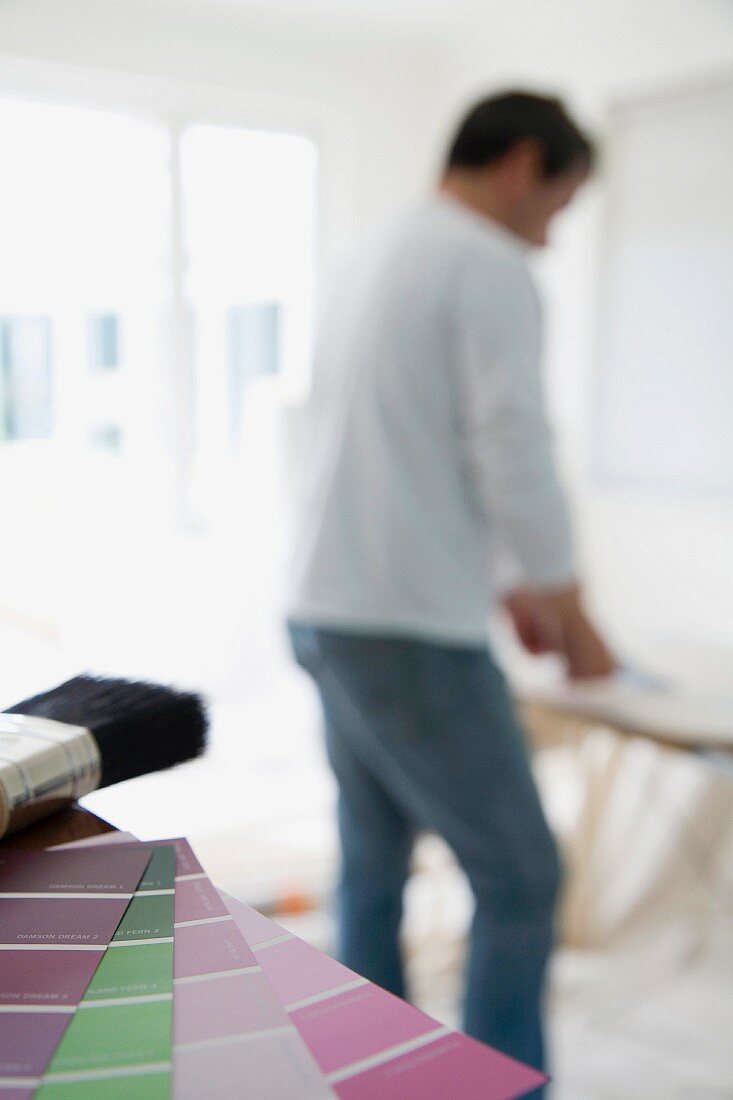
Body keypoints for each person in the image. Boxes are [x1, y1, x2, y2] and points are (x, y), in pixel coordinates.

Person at [286, 91, 614, 1084]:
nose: (551, 236)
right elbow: (510, 446)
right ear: (522, 163)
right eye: (558, 205)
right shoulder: (484, 262)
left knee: (374, 862)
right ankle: (494, 1084)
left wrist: (510, 578)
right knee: (521, 870)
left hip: (328, 603)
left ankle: (374, 1069)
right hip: (403, 625)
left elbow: (407, 445)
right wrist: (569, 603)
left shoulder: (375, 253)